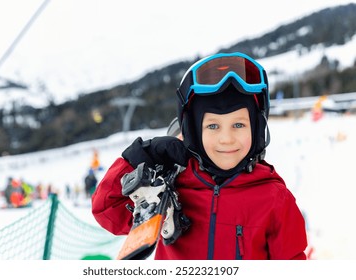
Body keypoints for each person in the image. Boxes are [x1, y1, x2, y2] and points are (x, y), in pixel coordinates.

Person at [92, 52, 307, 260]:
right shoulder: (170, 185)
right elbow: (106, 210)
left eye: (239, 124)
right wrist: (142, 155)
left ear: (257, 128)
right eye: (213, 125)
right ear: (194, 132)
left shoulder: (274, 199)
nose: (227, 138)